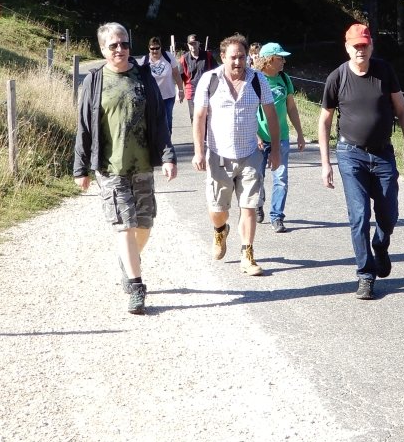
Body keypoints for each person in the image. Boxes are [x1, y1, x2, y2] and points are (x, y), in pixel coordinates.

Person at [73, 23, 178, 315]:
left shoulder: (143, 76)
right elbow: (84, 127)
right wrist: (81, 168)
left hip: (142, 164)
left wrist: (168, 156)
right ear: (102, 50)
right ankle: (136, 287)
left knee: (144, 225)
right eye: (113, 45)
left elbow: (159, 120)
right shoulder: (94, 82)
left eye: (124, 44)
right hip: (110, 168)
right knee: (125, 226)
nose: (120, 49)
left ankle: (127, 259)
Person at [318, 23, 404, 300]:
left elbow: (403, 111)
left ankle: (381, 245)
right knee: (359, 215)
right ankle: (365, 275)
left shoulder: (384, 72)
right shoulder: (337, 77)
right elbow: (324, 121)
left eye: (364, 45)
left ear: (371, 46)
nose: (360, 50)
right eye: (356, 46)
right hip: (351, 154)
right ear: (347, 47)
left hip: (383, 154)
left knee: (389, 213)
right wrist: (325, 163)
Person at [192, 34, 281, 276]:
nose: (238, 62)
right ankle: (220, 230)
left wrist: (276, 151)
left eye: (242, 57)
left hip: (250, 154)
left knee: (249, 206)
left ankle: (247, 254)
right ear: (223, 57)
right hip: (218, 155)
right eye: (233, 57)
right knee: (218, 209)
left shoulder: (258, 80)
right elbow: (199, 117)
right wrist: (199, 151)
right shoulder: (210, 80)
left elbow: (271, 115)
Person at [254, 42, 306, 233]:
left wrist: (299, 133)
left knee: (281, 178)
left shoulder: (284, 78)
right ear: (268, 60)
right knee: (257, 177)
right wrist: (255, 135)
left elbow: (291, 107)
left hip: (281, 137)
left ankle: (277, 216)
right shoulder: (254, 80)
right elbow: (247, 110)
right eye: (280, 58)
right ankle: (258, 203)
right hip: (259, 138)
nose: (284, 61)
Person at [136, 35, 180, 132]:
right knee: (154, 122)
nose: (155, 51)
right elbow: (139, 78)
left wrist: (180, 90)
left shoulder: (168, 57)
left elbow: (176, 74)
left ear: (161, 47)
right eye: (152, 48)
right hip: (152, 97)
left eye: (157, 48)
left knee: (167, 121)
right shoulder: (144, 60)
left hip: (168, 96)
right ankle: (157, 140)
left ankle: (167, 140)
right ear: (149, 48)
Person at [178, 34, 214, 120]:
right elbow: (180, 77)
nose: (193, 46)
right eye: (191, 44)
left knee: (207, 116)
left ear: (198, 44)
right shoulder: (184, 59)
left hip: (207, 90)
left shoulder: (208, 56)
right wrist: (180, 91)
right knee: (194, 117)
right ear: (188, 45)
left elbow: (216, 72)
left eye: (195, 43)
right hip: (191, 91)